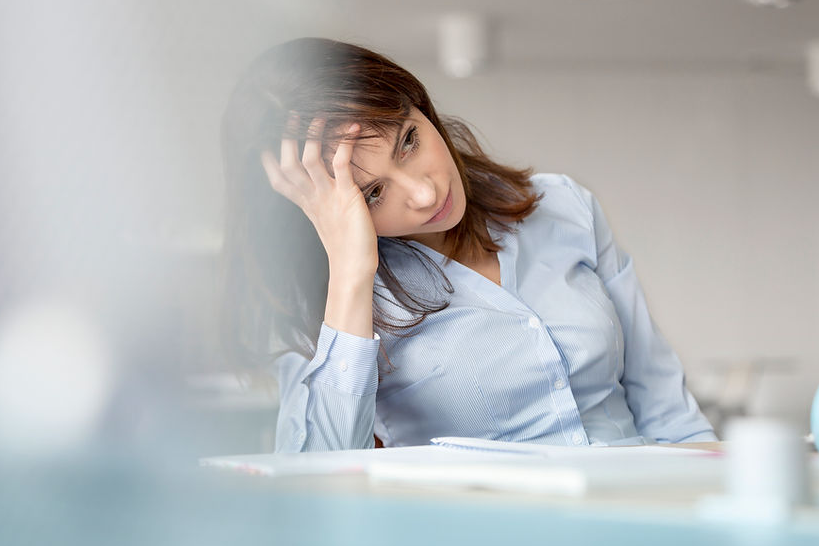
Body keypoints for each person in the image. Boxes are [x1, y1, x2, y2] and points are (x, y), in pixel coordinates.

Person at [220, 37, 716, 453]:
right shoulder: (325, 305)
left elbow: (667, 410)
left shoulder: (563, 205)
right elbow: (315, 485)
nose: (425, 192)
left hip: (644, 528)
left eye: (409, 142)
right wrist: (351, 271)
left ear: (421, 107)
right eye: (372, 193)